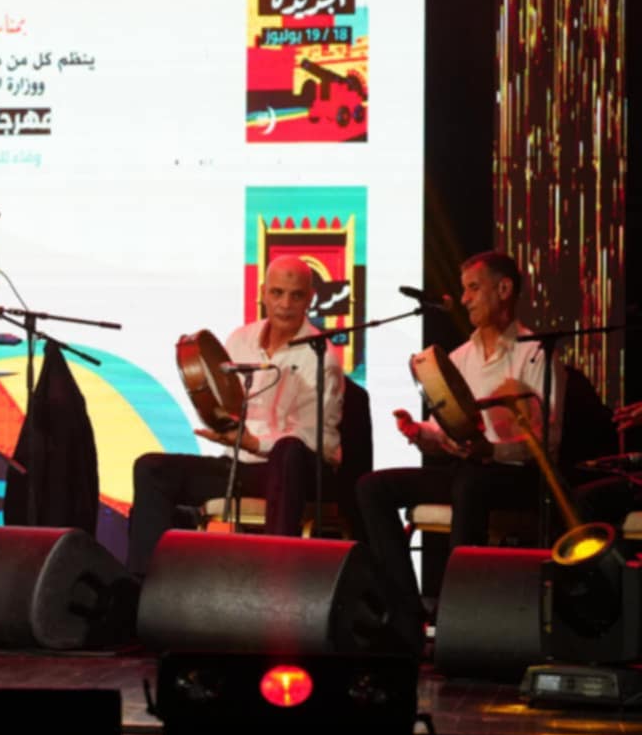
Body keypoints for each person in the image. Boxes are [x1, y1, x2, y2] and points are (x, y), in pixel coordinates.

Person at [356, 251, 554, 643]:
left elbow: (548, 440)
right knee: (372, 487)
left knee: (471, 482)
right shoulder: (460, 357)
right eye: (464, 290)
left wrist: (493, 453)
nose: (464, 299)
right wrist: (420, 432)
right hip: (469, 470)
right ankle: (407, 611)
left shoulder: (535, 352)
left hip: (517, 476)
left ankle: (458, 612)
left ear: (504, 289)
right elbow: (448, 430)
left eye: (473, 289)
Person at [126, 255, 344, 574]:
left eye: (296, 295)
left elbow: (319, 442)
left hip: (297, 472)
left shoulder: (322, 357)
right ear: (263, 292)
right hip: (242, 466)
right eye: (277, 293)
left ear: (310, 299)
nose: (285, 304)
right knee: (151, 469)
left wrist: (256, 443)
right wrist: (219, 422)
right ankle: (146, 583)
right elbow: (226, 402)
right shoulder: (240, 340)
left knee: (288, 452)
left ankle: (276, 578)